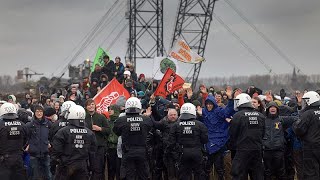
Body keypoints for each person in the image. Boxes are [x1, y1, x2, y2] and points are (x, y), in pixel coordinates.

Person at [52, 105, 97, 180]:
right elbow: (92, 153)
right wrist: (91, 168)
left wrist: (53, 165)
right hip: (82, 167)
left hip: (66, 166)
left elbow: (56, 151)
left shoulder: (63, 132)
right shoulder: (89, 133)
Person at [197, 90, 234, 180]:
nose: (209, 106)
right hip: (208, 142)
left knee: (219, 167)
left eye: (211, 104)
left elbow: (228, 110)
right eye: (207, 104)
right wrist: (200, 115)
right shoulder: (203, 112)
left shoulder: (219, 111)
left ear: (214, 104)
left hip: (219, 142)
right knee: (207, 167)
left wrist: (230, 99)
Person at [113, 97, 153, 180]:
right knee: (143, 175)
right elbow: (149, 129)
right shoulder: (146, 119)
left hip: (128, 151)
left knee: (128, 175)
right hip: (142, 151)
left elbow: (116, 132)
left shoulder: (121, 120)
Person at [167, 103, 208, 180]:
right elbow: (205, 140)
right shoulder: (200, 125)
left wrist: (169, 153)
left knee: (183, 174)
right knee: (199, 174)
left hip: (182, 152)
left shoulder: (176, 125)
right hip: (197, 152)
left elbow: (171, 142)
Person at [229, 93, 265, 180]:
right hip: (257, 150)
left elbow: (233, 134)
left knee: (239, 174)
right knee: (257, 175)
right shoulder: (260, 116)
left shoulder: (237, 116)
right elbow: (263, 133)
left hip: (242, 150)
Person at [293, 91, 320, 179]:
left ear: (309, 101)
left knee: (311, 173)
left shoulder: (307, 114)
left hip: (311, 147)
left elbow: (299, 129)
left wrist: (294, 125)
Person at [0, 103, 28, 180]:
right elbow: (26, 140)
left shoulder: (1, 125)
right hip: (18, 158)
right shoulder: (22, 125)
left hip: (4, 161)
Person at [84, 99, 111, 180]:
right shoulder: (83, 117)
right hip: (87, 147)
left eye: (92, 104)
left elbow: (108, 130)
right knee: (87, 168)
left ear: (95, 106)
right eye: (88, 105)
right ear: (86, 107)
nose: (91, 106)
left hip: (99, 147)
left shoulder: (101, 117)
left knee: (98, 169)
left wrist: (100, 129)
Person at [49, 101, 76, 175]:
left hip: (61, 158)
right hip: (76, 157)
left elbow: (51, 139)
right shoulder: (80, 125)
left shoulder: (56, 124)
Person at [26, 105, 52, 180]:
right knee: (34, 176)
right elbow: (26, 136)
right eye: (37, 111)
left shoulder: (48, 124)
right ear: (34, 113)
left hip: (45, 153)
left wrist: (50, 143)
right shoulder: (30, 125)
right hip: (34, 153)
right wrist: (28, 145)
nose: (39, 113)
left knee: (48, 175)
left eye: (41, 111)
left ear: (43, 113)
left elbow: (53, 135)